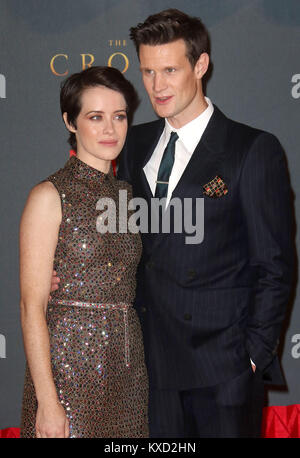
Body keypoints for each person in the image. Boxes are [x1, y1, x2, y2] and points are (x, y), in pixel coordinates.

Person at [116, 9, 294, 437]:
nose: (157, 86)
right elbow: (121, 240)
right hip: (150, 369)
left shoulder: (250, 149)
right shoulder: (131, 144)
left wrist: (251, 355)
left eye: (170, 70)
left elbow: (275, 265)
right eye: (148, 71)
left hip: (222, 370)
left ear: (200, 65)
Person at [19, 66, 148, 438]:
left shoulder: (127, 196)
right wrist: (48, 400)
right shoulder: (48, 196)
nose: (110, 129)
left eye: (119, 116)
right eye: (96, 117)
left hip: (128, 371)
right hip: (68, 368)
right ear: (70, 121)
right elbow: (31, 307)